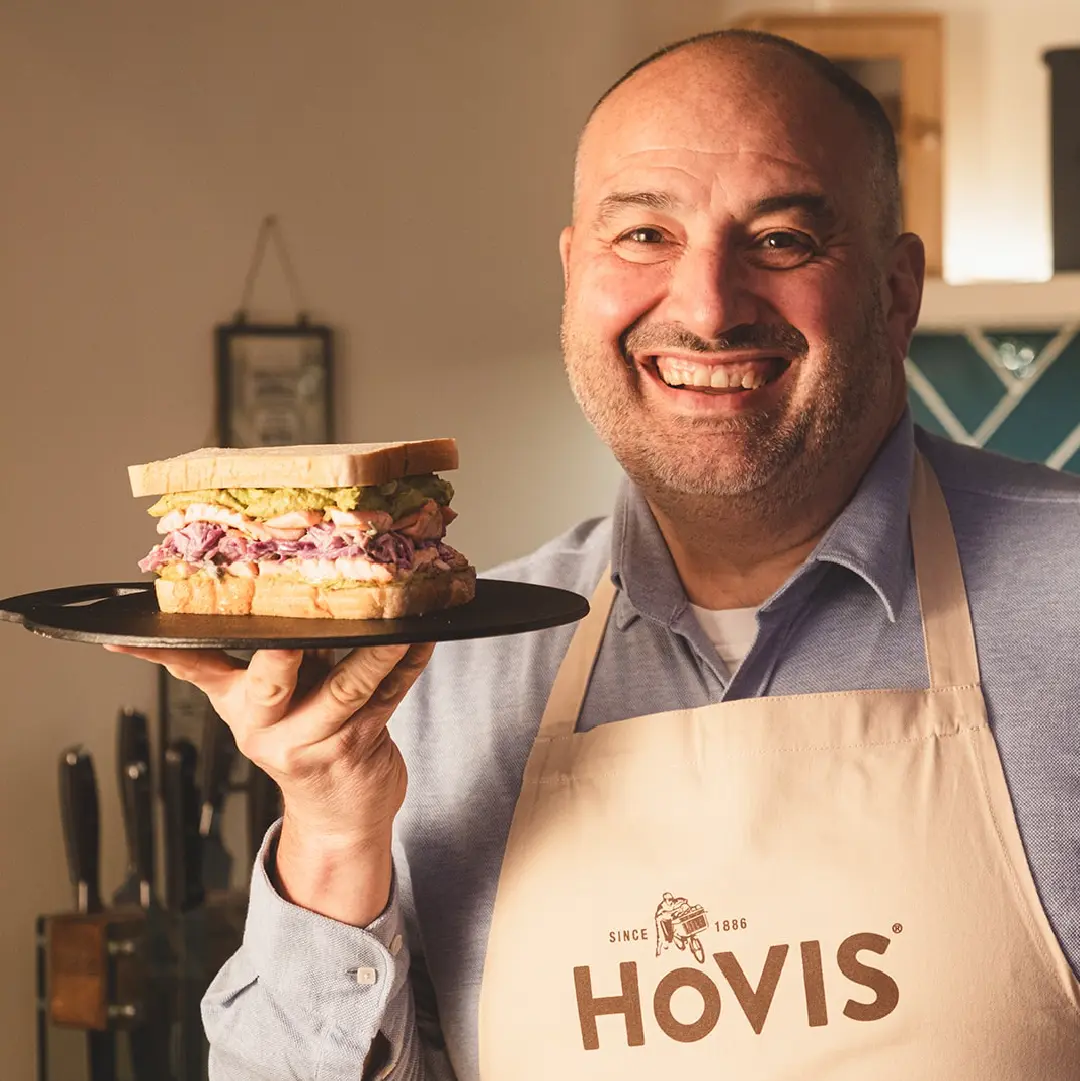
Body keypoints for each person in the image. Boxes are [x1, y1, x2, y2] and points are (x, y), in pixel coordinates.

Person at [108, 28, 1080, 1080]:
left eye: (783, 240)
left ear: (895, 294)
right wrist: (335, 833)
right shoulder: (443, 671)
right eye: (645, 235)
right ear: (575, 277)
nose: (706, 306)